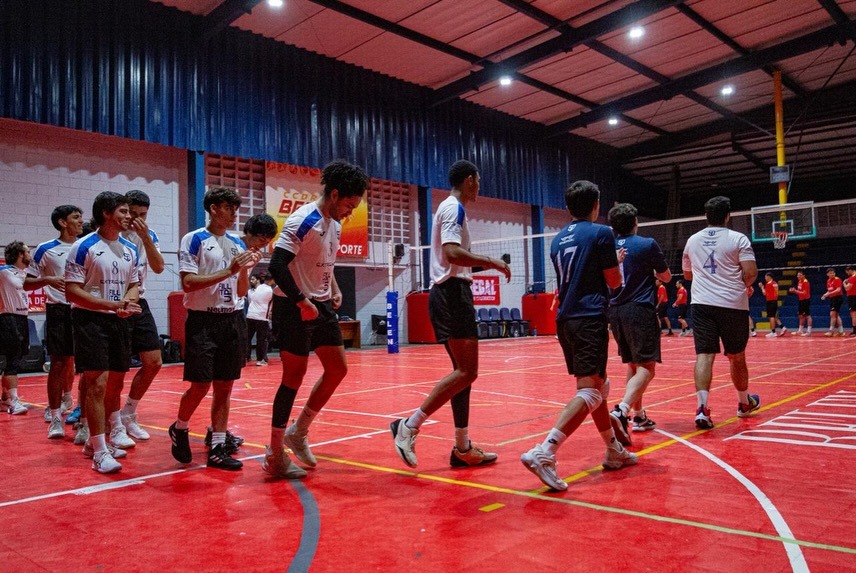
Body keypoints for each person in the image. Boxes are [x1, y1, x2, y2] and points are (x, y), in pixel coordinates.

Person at [391, 160, 511, 471]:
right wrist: (492, 262)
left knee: (463, 375)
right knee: (467, 373)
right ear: (470, 179)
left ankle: (462, 448)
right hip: (452, 294)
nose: (480, 185)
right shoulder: (453, 208)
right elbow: (452, 252)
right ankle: (409, 426)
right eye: (479, 179)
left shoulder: (450, 207)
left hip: (451, 293)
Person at [520, 180, 636, 492]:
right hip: (589, 317)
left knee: (600, 385)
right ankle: (544, 451)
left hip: (565, 320)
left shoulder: (557, 239)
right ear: (596, 205)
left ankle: (613, 449)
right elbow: (613, 283)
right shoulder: (601, 233)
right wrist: (618, 264)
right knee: (591, 391)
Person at [264, 159, 370, 479]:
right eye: (349, 205)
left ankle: (298, 431)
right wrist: (301, 300)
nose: (350, 212)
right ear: (335, 194)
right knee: (293, 379)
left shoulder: (335, 224)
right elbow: (277, 266)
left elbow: (326, 263)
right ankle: (274, 453)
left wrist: (333, 289)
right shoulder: (303, 220)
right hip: (293, 308)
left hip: (321, 306)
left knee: (338, 369)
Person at [168, 187, 261, 471]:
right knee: (200, 386)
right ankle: (180, 427)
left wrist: (243, 271)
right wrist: (230, 270)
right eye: (228, 207)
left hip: (232, 319)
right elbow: (188, 283)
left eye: (236, 208)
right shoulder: (194, 239)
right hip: (202, 321)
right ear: (213, 208)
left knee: (225, 387)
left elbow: (242, 290)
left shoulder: (237, 243)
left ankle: (218, 446)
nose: (234, 213)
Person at [65, 192, 142, 473]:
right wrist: (111, 304)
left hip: (119, 321)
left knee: (115, 384)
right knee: (96, 383)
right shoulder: (83, 247)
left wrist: (128, 301)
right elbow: (72, 291)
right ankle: (99, 450)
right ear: (106, 214)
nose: (128, 216)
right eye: (123, 211)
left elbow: (134, 283)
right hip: (90, 320)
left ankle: (97, 442)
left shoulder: (129, 249)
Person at [682, 196, 760, 429]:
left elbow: (687, 275)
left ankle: (702, 409)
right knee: (736, 356)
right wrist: (742, 284)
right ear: (728, 216)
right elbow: (751, 273)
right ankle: (744, 404)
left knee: (704, 355)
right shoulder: (739, 239)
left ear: (707, 216)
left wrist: (709, 281)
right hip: (732, 305)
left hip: (702, 304)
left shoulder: (692, 240)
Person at [606, 203, 671, 442]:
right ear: (635, 222)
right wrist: (649, 272)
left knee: (633, 365)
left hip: (615, 311)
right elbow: (665, 277)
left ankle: (639, 416)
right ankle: (621, 410)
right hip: (640, 310)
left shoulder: (607, 247)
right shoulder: (646, 244)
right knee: (647, 367)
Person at [27, 205, 84, 438]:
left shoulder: (86, 245)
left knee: (84, 366)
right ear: (62, 222)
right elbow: (26, 282)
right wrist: (47, 279)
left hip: (84, 310)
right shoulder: (45, 249)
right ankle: (55, 417)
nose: (81, 221)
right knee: (59, 363)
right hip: (58, 310)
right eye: (76, 217)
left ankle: (78, 410)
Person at [117, 190, 165, 442]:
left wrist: (145, 236)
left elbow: (158, 267)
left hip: (138, 301)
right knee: (112, 369)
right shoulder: (111, 233)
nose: (135, 219)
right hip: (111, 304)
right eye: (131, 213)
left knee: (154, 361)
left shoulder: (149, 235)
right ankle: (102, 421)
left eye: (142, 215)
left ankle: (128, 413)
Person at [1, 241, 39, 415]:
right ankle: (14, 401)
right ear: (20, 255)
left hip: (22, 319)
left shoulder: (23, 274)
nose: (30, 254)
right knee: (13, 362)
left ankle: (5, 398)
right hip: (8, 319)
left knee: (15, 359)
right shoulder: (4, 273)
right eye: (28, 251)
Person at [246, 273, 273, 366]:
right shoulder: (271, 290)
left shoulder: (258, 288)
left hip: (250, 315)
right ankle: (261, 359)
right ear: (272, 280)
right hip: (261, 317)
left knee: (247, 338)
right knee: (261, 339)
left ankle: (246, 357)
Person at [759, 273, 785, 337]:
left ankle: (773, 332)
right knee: (774, 316)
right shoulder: (775, 283)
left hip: (770, 301)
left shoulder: (768, 284)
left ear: (769, 277)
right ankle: (783, 327)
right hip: (775, 301)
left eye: (765, 277)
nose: (765, 278)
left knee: (771, 317)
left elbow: (764, 293)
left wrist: (762, 287)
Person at [820, 268, 845, 337]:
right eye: (830, 273)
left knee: (832, 314)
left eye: (833, 272)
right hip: (832, 298)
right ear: (827, 274)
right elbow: (829, 290)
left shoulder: (837, 279)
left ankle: (831, 331)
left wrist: (828, 294)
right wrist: (825, 295)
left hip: (838, 298)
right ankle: (841, 331)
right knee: (836, 315)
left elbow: (838, 289)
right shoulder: (828, 281)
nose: (832, 274)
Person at [788, 271, 812, 336]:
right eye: (798, 275)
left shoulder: (805, 282)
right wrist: (794, 291)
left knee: (807, 315)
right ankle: (800, 330)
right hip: (801, 300)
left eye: (800, 275)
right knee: (801, 315)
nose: (798, 276)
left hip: (805, 300)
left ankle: (809, 331)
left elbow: (804, 293)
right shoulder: (799, 282)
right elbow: (799, 291)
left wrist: (795, 291)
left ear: (804, 275)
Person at [845, 266, 856, 337]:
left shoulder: (852, 278)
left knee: (853, 314)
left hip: (853, 297)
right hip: (853, 296)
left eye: (847, 271)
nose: (847, 273)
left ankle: (855, 331)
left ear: (850, 270)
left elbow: (847, 288)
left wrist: (844, 283)